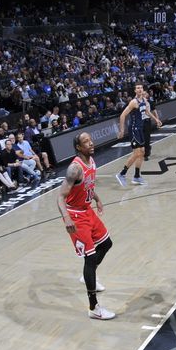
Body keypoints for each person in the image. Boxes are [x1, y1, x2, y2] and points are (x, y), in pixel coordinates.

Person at [57, 132, 115, 320]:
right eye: (86, 142)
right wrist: (66, 218)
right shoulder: (75, 168)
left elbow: (88, 186)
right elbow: (60, 197)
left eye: (90, 140)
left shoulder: (91, 160)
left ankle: (88, 275)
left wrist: (97, 199)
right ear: (78, 148)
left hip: (87, 209)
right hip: (75, 215)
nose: (91, 143)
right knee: (89, 259)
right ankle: (94, 308)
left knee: (106, 244)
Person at [116, 83, 162, 186]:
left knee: (142, 152)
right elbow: (122, 116)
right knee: (137, 153)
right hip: (134, 130)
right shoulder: (133, 102)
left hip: (140, 129)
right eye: (137, 88)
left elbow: (147, 111)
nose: (140, 89)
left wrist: (156, 119)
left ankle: (136, 176)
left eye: (141, 88)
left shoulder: (144, 100)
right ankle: (121, 174)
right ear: (135, 91)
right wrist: (122, 130)